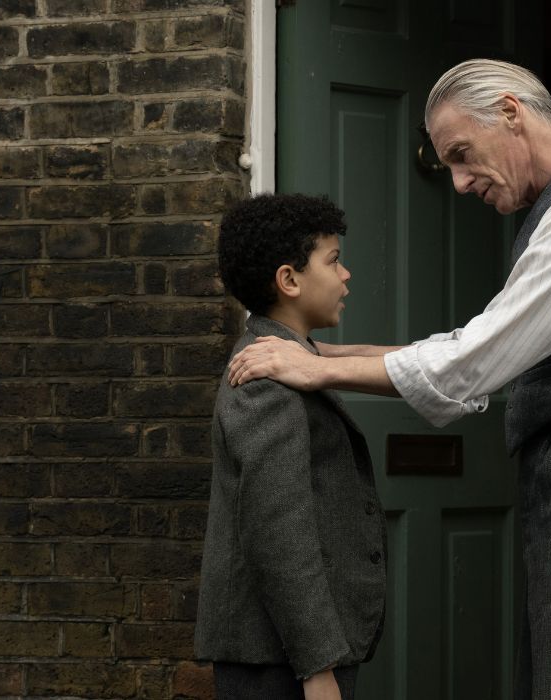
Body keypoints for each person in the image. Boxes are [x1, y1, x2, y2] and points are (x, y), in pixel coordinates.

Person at [227, 59, 551, 698]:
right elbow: (479, 343)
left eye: (459, 153)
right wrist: (331, 358)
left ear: (510, 112)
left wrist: (315, 368)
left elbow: (478, 356)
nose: (455, 182)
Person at [195, 194, 387, 700]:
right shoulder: (266, 381)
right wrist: (317, 664)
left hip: (287, 651)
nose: (345, 275)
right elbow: (277, 531)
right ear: (290, 280)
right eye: (333, 260)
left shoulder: (289, 357)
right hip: (279, 658)